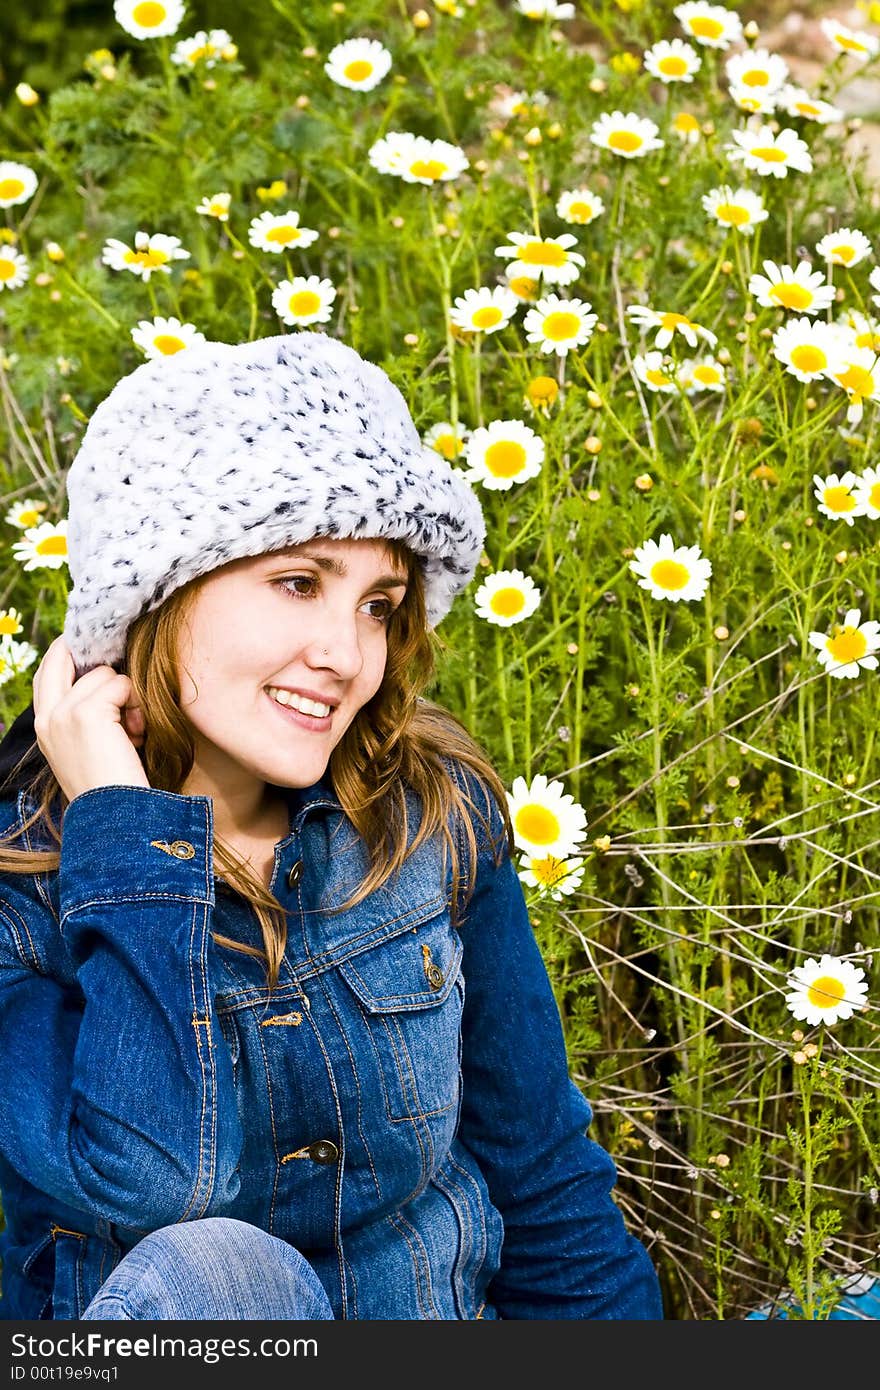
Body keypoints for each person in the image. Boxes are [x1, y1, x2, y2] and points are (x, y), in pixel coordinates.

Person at [0, 331, 663, 1321]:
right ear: (156, 592)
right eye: (299, 583)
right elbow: (154, 1179)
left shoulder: (426, 815)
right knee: (214, 1272)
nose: (348, 655)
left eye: (378, 605)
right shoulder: (23, 891)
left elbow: (542, 1179)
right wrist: (121, 826)